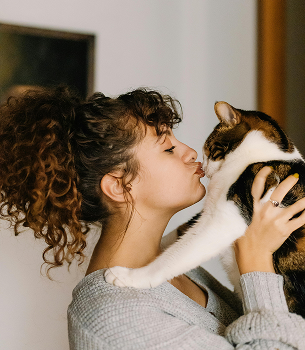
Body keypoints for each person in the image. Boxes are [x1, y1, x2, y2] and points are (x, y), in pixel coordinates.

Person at [0, 86, 305, 350]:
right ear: (119, 186)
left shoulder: (178, 268)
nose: (189, 152)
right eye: (169, 148)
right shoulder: (112, 316)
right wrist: (257, 265)